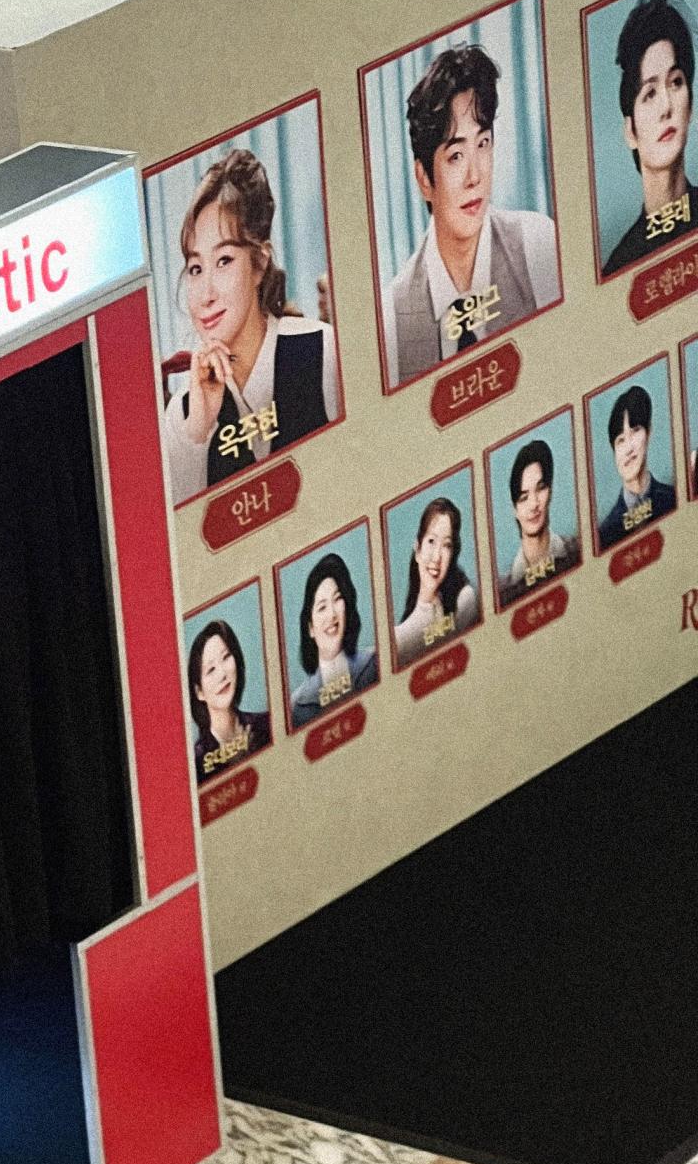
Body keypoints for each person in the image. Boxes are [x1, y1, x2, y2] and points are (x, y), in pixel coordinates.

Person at [162, 150, 341, 504]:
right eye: (196, 268)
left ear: (259, 263)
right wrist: (197, 432)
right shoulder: (182, 413)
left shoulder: (324, 352)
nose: (206, 294)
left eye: (224, 261)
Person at [381, 42, 563, 388]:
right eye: (455, 156)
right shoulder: (392, 316)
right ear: (424, 179)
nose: (475, 176)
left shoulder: (536, 245)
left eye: (483, 144)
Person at [602, 0, 695, 274]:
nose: (666, 106)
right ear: (630, 131)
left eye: (676, 82)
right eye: (650, 93)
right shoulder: (621, 263)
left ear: (691, 105)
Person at [289, 551, 378, 725]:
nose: (332, 615)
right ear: (310, 628)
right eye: (322, 607)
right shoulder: (297, 706)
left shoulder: (373, 664)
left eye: (337, 599)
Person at [392, 496, 481, 667]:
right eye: (431, 541)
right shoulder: (400, 637)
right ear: (417, 549)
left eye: (446, 545)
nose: (437, 557)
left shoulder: (464, 600)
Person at [495, 436, 581, 609]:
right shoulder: (503, 589)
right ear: (514, 509)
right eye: (524, 497)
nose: (534, 504)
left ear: (550, 491)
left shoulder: (577, 550)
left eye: (541, 488)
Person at [596, 380, 677, 550]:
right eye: (621, 440)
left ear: (649, 432)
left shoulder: (673, 498)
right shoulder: (605, 534)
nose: (629, 448)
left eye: (635, 431)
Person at [185, 619, 271, 778]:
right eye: (211, 669)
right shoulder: (196, 763)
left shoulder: (267, 724)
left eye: (226, 657)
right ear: (199, 692)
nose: (222, 674)